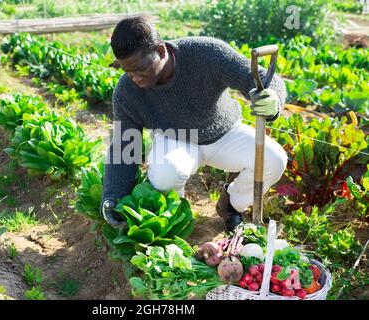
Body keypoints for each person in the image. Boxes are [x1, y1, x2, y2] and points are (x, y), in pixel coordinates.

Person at [101, 16, 288, 232]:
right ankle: (174, 216)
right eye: (127, 71)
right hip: (175, 139)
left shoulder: (206, 53)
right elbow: (126, 147)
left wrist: (272, 97)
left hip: (224, 133)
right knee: (165, 175)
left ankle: (231, 204)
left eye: (140, 69)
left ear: (161, 51)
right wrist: (113, 196)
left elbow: (261, 78)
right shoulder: (127, 92)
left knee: (274, 160)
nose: (135, 78)